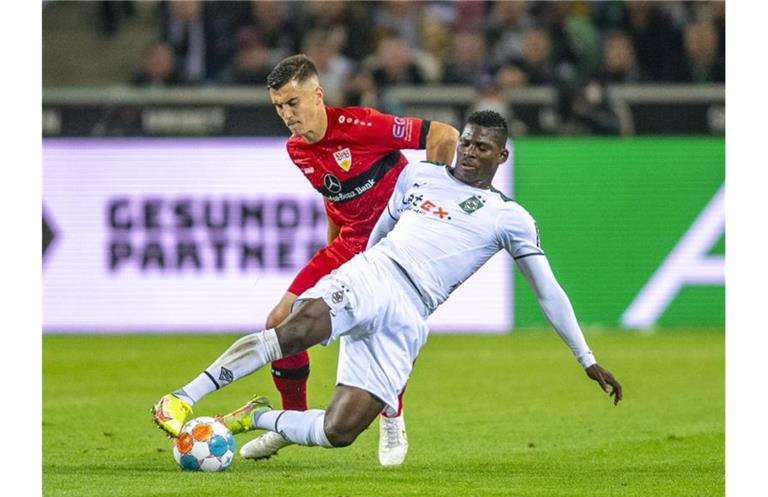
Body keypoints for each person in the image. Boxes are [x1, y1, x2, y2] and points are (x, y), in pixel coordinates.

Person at [154, 110, 623, 462]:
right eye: (467, 142)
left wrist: (586, 358)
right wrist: (359, 268)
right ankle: (185, 396)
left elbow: (548, 291)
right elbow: (383, 229)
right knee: (295, 330)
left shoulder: (511, 218)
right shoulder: (419, 175)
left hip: (410, 312)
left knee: (340, 431)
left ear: (501, 156)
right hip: (375, 274)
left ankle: (253, 417)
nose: (469, 151)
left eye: (483, 147)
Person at [152, 54, 460, 466]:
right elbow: (336, 199)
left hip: (392, 247)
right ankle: (288, 421)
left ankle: (392, 415)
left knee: (379, 325)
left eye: (292, 103)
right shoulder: (297, 149)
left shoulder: (362, 125)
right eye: (278, 106)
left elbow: (444, 133)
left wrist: (427, 204)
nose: (286, 114)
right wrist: (330, 256)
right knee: (278, 320)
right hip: (348, 243)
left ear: (318, 95)